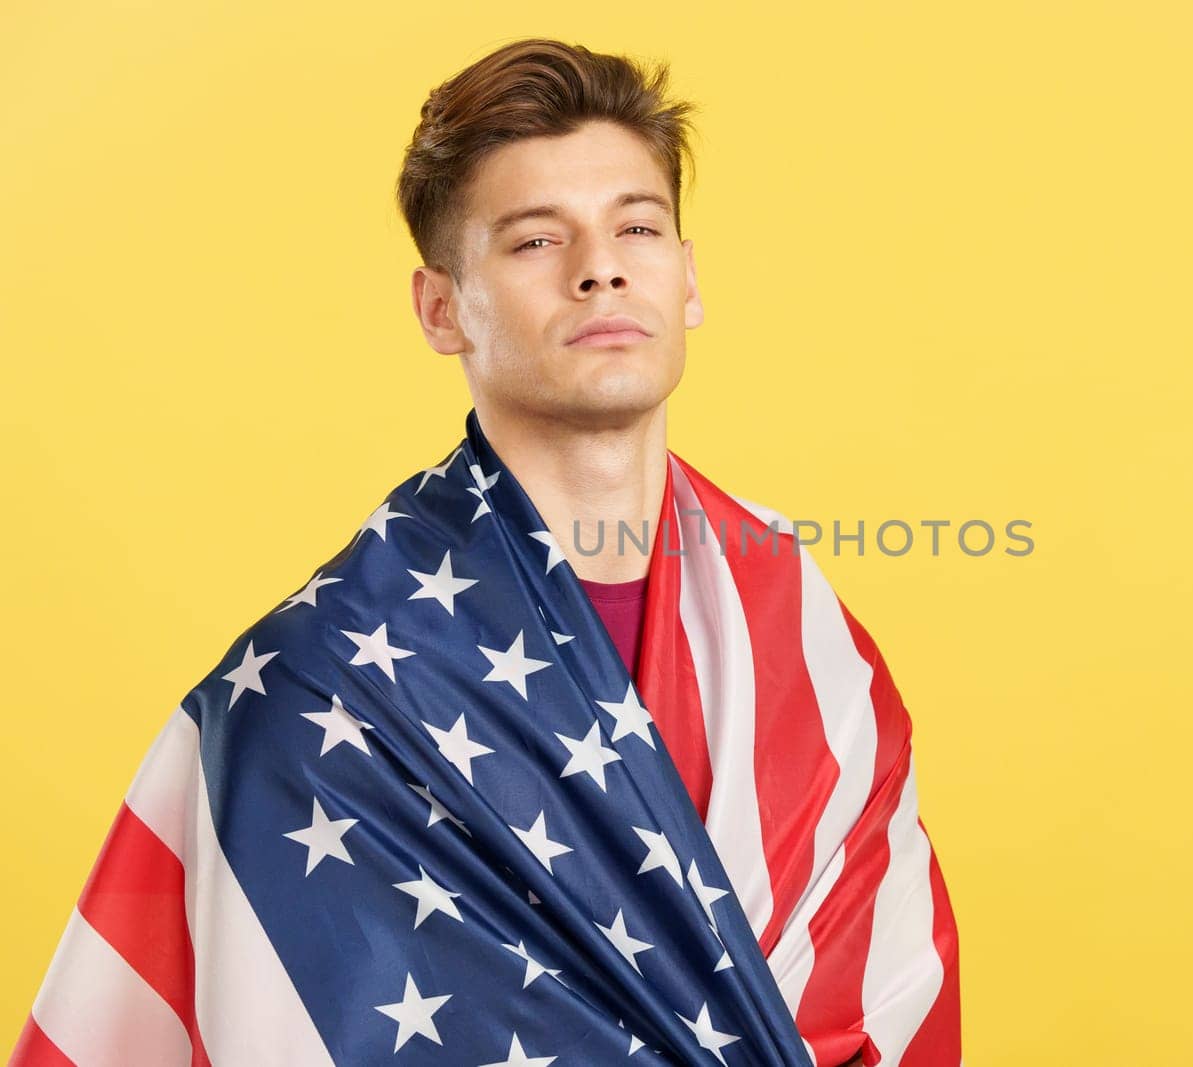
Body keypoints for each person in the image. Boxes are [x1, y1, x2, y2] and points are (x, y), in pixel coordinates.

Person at [11, 38, 960, 1066]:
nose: (600, 268)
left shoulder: (804, 629)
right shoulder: (320, 686)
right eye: (533, 242)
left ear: (686, 278)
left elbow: (887, 985)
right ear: (439, 308)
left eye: (635, 226)